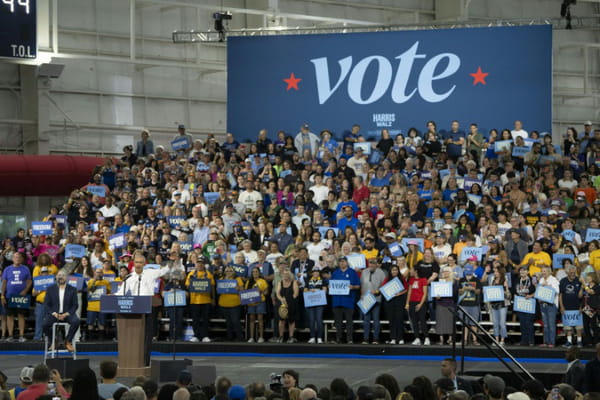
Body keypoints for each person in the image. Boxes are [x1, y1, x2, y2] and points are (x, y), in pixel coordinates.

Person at [115, 251, 170, 365]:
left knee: (146, 336)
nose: (138, 264)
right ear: (133, 263)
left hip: (148, 308)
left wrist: (172, 259)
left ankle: (145, 361)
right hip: (134, 310)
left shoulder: (150, 273)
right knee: (135, 336)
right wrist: (111, 297)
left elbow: (165, 270)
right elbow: (121, 293)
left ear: (144, 263)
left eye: (140, 262)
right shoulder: (129, 277)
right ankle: (132, 360)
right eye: (136, 262)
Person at [42, 269, 80, 352]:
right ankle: (53, 341)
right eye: (59, 275)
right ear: (56, 277)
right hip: (55, 314)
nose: (61, 277)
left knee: (76, 321)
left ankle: (68, 341)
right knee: (45, 325)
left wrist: (67, 314)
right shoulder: (50, 289)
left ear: (66, 277)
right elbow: (46, 304)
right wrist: (54, 313)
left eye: (63, 275)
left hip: (67, 314)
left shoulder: (72, 289)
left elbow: (75, 305)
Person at [1, 252, 32, 342]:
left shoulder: (25, 268)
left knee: (21, 315)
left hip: (21, 296)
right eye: (15, 257)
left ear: (22, 259)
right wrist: (2, 295)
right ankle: (10, 336)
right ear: (12, 258)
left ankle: (21, 336)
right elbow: (4, 283)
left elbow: (29, 281)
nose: (17, 258)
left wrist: (25, 291)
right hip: (9, 296)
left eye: (19, 257)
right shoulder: (7, 269)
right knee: (10, 316)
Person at [330, 257, 360, 344]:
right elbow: (331, 285)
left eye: (343, 261)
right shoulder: (335, 272)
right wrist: (330, 287)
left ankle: (349, 339)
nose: (342, 263)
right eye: (340, 262)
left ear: (346, 262)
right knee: (338, 322)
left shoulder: (352, 272)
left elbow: (358, 285)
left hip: (348, 301)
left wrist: (352, 287)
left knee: (349, 321)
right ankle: (339, 338)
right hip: (337, 301)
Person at [185, 256, 215, 343]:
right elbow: (187, 285)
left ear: (204, 264)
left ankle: (205, 336)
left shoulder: (208, 274)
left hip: (206, 300)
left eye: (201, 263)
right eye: (198, 263)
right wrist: (192, 283)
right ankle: (196, 335)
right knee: (195, 319)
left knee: (206, 319)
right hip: (194, 300)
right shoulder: (191, 274)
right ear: (196, 264)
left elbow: (212, 287)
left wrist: (213, 299)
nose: (200, 265)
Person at [360, 258, 386, 344]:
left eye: (373, 264)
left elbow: (384, 286)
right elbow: (361, 284)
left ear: (376, 264)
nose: (371, 265)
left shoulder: (381, 273)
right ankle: (366, 338)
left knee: (376, 319)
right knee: (366, 320)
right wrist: (362, 296)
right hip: (366, 299)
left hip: (376, 299)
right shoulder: (364, 272)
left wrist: (377, 291)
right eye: (370, 264)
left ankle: (376, 338)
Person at [559, 265, 584, 347]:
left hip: (577, 307)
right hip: (566, 307)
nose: (573, 274)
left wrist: (581, 306)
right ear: (567, 272)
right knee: (568, 326)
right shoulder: (563, 281)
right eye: (571, 272)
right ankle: (569, 341)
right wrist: (561, 306)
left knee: (578, 326)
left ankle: (579, 341)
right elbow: (560, 295)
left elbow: (582, 296)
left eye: (574, 272)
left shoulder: (579, 280)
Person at [218, 266, 244, 341]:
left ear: (234, 272)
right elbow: (218, 290)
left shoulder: (237, 279)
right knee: (228, 322)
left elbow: (242, 289)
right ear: (224, 272)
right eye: (227, 271)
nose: (228, 272)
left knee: (236, 321)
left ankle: (240, 338)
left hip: (235, 304)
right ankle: (229, 338)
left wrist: (239, 288)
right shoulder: (221, 280)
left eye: (230, 271)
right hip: (224, 304)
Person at [383, 265, 408, 345]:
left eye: (396, 270)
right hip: (390, 302)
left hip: (399, 301)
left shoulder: (402, 279)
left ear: (398, 271)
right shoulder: (387, 279)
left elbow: (406, 289)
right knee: (392, 320)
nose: (394, 271)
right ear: (390, 271)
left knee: (399, 320)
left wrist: (399, 293)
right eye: (393, 270)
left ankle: (400, 338)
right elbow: (383, 289)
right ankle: (393, 338)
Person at [457, 264, 482, 345]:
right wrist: (463, 289)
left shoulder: (476, 280)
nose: (468, 275)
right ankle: (464, 340)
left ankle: (474, 340)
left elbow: (479, 291)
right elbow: (458, 291)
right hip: (463, 304)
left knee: (473, 323)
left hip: (474, 304)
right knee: (464, 324)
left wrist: (472, 289)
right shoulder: (461, 280)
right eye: (467, 273)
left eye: (469, 273)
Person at [513, 266, 536, 346]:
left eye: (524, 270)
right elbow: (514, 291)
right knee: (522, 323)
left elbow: (538, 291)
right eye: (521, 270)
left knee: (529, 322)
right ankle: (524, 340)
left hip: (529, 303)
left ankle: (531, 341)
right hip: (520, 304)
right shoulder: (516, 280)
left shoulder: (532, 280)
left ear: (528, 272)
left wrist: (531, 295)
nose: (522, 272)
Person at [86, 266, 111, 340]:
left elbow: (109, 292)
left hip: (102, 306)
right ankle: (90, 338)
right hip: (91, 306)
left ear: (102, 274)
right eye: (97, 272)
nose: (99, 274)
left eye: (100, 272)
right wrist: (94, 281)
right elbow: (90, 290)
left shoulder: (106, 282)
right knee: (90, 323)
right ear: (94, 273)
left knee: (102, 323)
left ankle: (101, 338)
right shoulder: (90, 281)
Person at [538, 265, 560, 347]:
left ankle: (552, 342)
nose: (543, 272)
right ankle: (546, 341)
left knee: (551, 324)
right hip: (543, 304)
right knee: (545, 324)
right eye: (542, 271)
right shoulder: (541, 280)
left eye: (544, 271)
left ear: (549, 272)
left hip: (551, 305)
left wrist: (546, 286)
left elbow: (556, 291)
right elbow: (539, 292)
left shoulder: (554, 280)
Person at [406, 268, 430, 346]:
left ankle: (426, 338)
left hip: (421, 302)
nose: (410, 271)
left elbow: (424, 293)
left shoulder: (423, 280)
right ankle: (417, 338)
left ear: (416, 271)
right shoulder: (411, 280)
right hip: (412, 302)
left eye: (412, 270)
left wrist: (420, 304)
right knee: (414, 321)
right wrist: (407, 303)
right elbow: (409, 292)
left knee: (422, 320)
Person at [245, 267, 269, 343]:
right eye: (253, 272)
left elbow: (266, 293)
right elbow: (245, 292)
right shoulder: (249, 281)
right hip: (251, 303)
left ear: (259, 272)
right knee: (251, 319)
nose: (255, 273)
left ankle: (261, 337)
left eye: (256, 271)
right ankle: (251, 337)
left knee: (260, 319)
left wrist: (260, 291)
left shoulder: (262, 281)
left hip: (260, 302)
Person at [304, 266, 327, 344]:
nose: (316, 273)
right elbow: (305, 290)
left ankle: (320, 337)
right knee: (311, 320)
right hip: (310, 302)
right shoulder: (308, 280)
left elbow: (325, 290)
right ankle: (312, 337)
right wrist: (310, 290)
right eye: (314, 271)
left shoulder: (322, 280)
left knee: (319, 320)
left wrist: (317, 291)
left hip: (319, 302)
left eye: (317, 271)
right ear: (312, 273)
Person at [276, 269, 299, 343]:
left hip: (291, 303)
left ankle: (291, 337)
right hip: (282, 304)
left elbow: (295, 294)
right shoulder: (280, 283)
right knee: (281, 320)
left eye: (287, 274)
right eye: (284, 274)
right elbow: (278, 294)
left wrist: (289, 301)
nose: (285, 275)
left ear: (290, 275)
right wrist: (282, 300)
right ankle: (281, 336)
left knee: (291, 321)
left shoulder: (294, 282)